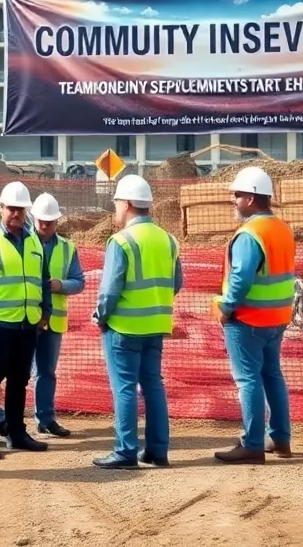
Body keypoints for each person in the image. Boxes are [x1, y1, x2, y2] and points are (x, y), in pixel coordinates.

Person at [91, 173, 182, 469]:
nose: (115, 208)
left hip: (123, 328)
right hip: (155, 325)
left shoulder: (122, 241)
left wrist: (101, 317)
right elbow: (176, 281)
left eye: (117, 202)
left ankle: (126, 450)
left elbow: (109, 290)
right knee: (153, 385)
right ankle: (157, 450)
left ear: (128, 204)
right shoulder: (168, 240)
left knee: (125, 388)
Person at [212, 165, 296, 464]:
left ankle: (252, 444)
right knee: (272, 375)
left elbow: (241, 276)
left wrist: (226, 307)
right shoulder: (282, 228)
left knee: (248, 380)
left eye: (236, 195)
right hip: (277, 318)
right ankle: (281, 440)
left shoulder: (250, 234)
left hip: (248, 319)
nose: (233, 201)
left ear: (250, 198)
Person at [0, 180, 51, 459]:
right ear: (1, 208)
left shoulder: (34, 240)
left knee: (19, 381)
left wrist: (45, 312)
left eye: (20, 209)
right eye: (11, 209)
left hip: (27, 326)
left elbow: (42, 278)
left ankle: (16, 433)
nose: (16, 213)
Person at [0, 191, 85, 437]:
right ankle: (7, 420)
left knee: (46, 372)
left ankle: (45, 418)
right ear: (33, 218)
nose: (45, 225)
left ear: (57, 221)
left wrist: (61, 285)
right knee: (15, 373)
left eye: (50, 221)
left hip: (52, 322)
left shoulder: (67, 248)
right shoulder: (22, 241)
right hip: (25, 320)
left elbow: (79, 281)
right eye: (41, 221)